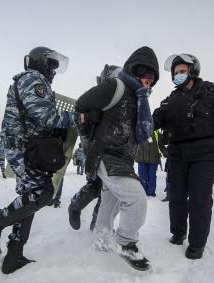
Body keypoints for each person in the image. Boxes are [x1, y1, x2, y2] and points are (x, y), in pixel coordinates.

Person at [0, 46, 74, 274]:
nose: (53, 71)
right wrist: (80, 118)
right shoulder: (33, 79)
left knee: (28, 198)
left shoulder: (35, 81)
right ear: (40, 62)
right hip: (23, 146)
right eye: (51, 65)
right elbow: (46, 117)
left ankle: (14, 254)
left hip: (28, 146)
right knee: (42, 193)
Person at [153, 53, 214, 260]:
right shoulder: (170, 99)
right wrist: (142, 123)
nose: (178, 75)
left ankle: (197, 243)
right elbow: (155, 118)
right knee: (176, 197)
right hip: (176, 155)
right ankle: (177, 233)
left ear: (193, 71)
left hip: (204, 154)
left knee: (199, 199)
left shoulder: (212, 91)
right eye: (176, 72)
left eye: (182, 71)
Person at [75, 46, 159, 271]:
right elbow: (80, 105)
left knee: (110, 204)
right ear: (135, 70)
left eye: (153, 78)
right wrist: (87, 136)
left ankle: (102, 241)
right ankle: (126, 243)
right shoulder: (116, 86)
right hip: (106, 154)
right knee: (136, 199)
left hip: (123, 159)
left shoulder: (141, 99)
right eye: (146, 75)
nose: (149, 81)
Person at [68, 64, 121, 232]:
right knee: (94, 188)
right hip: (95, 151)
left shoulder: (121, 100)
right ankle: (75, 207)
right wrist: (90, 121)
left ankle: (98, 226)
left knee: (109, 191)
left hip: (115, 153)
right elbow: (79, 120)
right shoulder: (95, 99)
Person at [135, 130, 167, 197]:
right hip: (142, 159)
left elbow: (160, 145)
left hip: (153, 159)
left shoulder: (156, 132)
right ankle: (143, 192)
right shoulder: (139, 130)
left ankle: (151, 193)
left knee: (152, 176)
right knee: (142, 176)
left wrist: (166, 153)